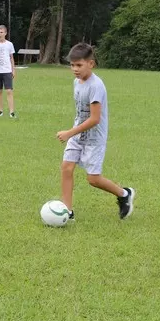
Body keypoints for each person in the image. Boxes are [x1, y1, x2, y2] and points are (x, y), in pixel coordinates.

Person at [56, 43, 134, 222]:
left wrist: (69, 132)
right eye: (72, 65)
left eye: (79, 65)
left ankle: (124, 194)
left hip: (94, 138)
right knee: (66, 168)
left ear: (91, 64)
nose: (75, 69)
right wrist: (73, 133)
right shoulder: (77, 82)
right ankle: (68, 212)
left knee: (93, 179)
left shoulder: (96, 86)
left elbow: (95, 119)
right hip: (77, 134)